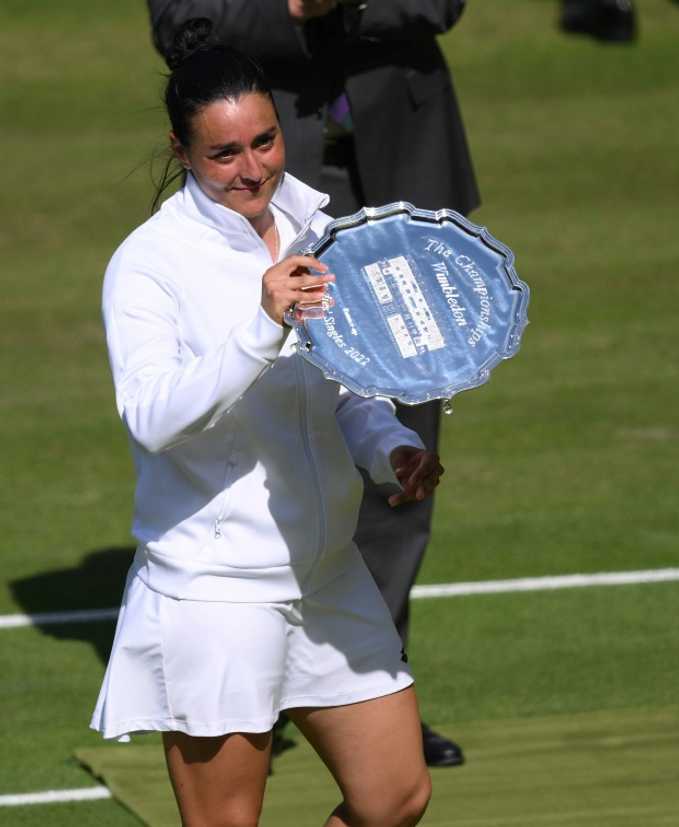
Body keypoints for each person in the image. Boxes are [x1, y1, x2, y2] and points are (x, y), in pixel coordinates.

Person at [92, 33, 442, 826]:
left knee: (394, 796)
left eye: (265, 140)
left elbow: (341, 384)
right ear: (182, 151)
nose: (253, 169)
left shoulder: (314, 224)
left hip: (325, 574)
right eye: (223, 154)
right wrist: (261, 321)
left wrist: (392, 449)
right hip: (216, 594)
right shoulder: (148, 265)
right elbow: (150, 416)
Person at [145, 0, 480, 767]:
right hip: (269, 169)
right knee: (263, 420)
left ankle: (370, 680)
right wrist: (295, 8)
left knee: (402, 440)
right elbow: (181, 19)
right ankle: (259, 689)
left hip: (406, 168)